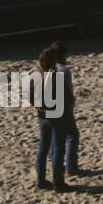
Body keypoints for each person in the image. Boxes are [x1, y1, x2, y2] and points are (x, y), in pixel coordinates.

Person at [33, 41, 77, 191]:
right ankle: (58, 183)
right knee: (58, 149)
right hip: (56, 116)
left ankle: (40, 179)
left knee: (43, 148)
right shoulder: (56, 77)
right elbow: (68, 97)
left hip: (41, 116)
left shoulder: (36, 76)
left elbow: (30, 97)